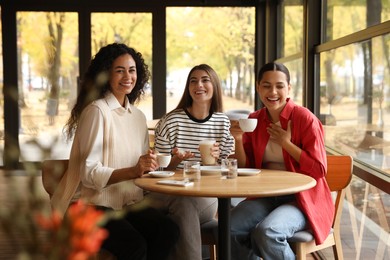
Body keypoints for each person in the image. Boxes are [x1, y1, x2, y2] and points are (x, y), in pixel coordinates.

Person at [50, 43, 179, 260]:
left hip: (126, 203)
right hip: (89, 206)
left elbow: (140, 167)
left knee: (169, 231)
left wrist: (156, 164)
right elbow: (88, 173)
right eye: (119, 70)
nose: (127, 76)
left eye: (132, 70)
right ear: (105, 75)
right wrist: (133, 170)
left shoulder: (137, 116)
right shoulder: (96, 112)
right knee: (135, 245)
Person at [229, 62, 334, 260]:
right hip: (265, 195)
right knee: (228, 227)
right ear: (258, 87)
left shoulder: (305, 119)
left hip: (301, 199)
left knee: (268, 232)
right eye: (266, 86)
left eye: (279, 86)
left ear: (289, 88)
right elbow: (246, 169)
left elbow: (320, 169)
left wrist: (287, 144)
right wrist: (238, 140)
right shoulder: (254, 120)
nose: (273, 92)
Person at [149, 64, 235, 260]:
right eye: (193, 81)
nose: (199, 85)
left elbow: (229, 173)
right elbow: (158, 170)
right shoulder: (171, 121)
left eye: (205, 80)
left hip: (205, 195)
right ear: (188, 88)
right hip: (165, 192)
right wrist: (175, 160)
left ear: (214, 86)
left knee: (183, 206)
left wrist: (216, 160)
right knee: (181, 205)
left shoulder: (223, 123)